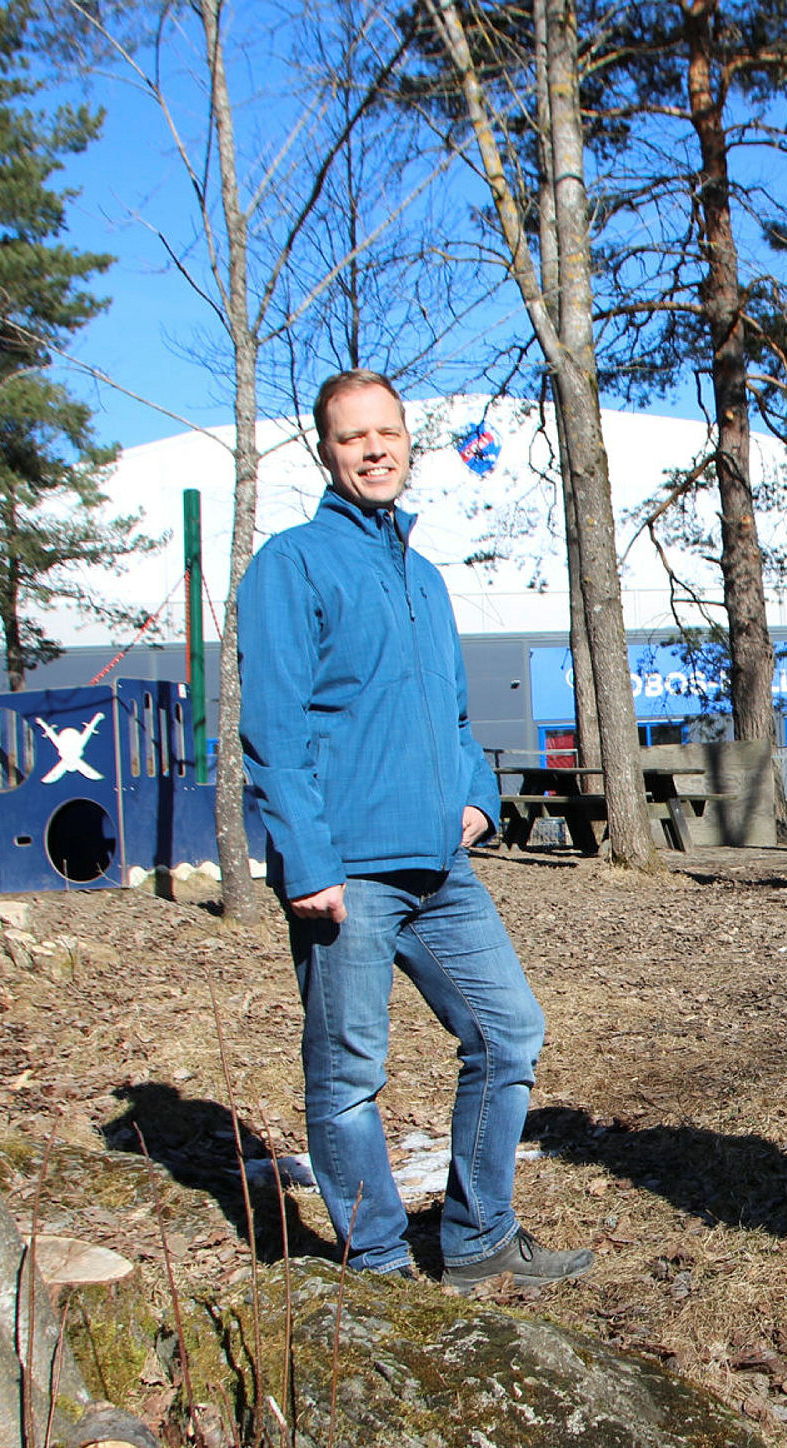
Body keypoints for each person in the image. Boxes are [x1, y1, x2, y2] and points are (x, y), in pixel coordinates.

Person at [237, 369, 592, 1291]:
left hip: (439, 865)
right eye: (355, 437)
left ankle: (478, 1239)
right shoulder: (293, 563)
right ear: (327, 450)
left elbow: (456, 718)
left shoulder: (424, 575)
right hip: (346, 873)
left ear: (407, 442)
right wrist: (306, 863)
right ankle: (380, 1259)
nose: (375, 449)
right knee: (350, 1073)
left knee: (509, 1031)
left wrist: (479, 794)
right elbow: (271, 730)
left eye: (388, 433)